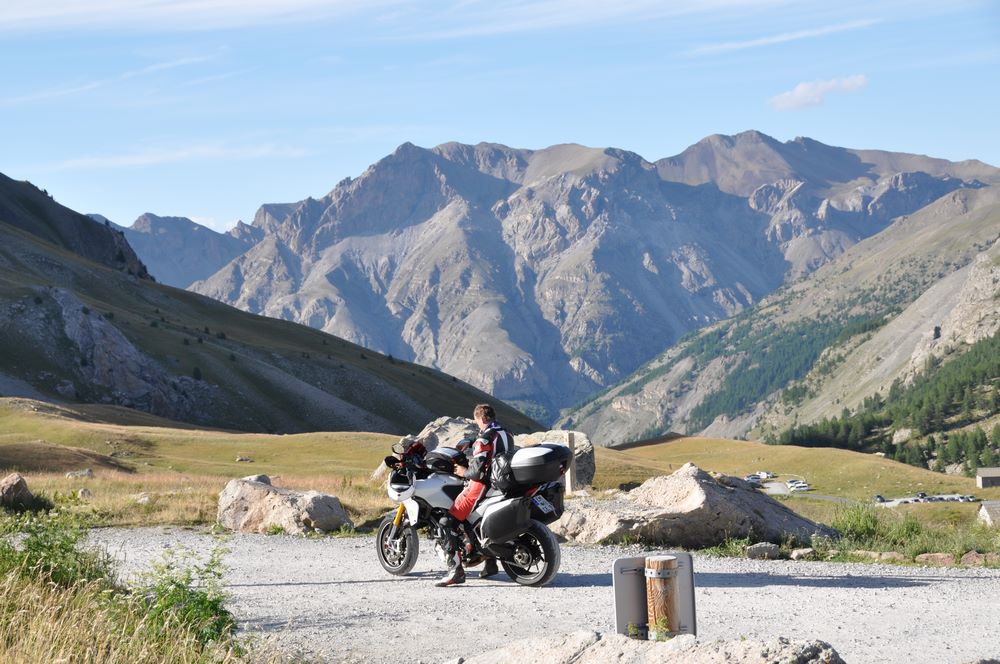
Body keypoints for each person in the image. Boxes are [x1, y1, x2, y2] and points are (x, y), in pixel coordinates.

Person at [435, 403, 513, 587]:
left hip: (483, 485)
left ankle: (455, 571)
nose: (477, 423)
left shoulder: (484, 438)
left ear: (481, 418)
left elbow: (477, 470)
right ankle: (490, 563)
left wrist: (463, 471)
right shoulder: (506, 432)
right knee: (475, 522)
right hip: (503, 482)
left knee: (448, 522)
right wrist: (471, 443)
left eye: (477, 420)